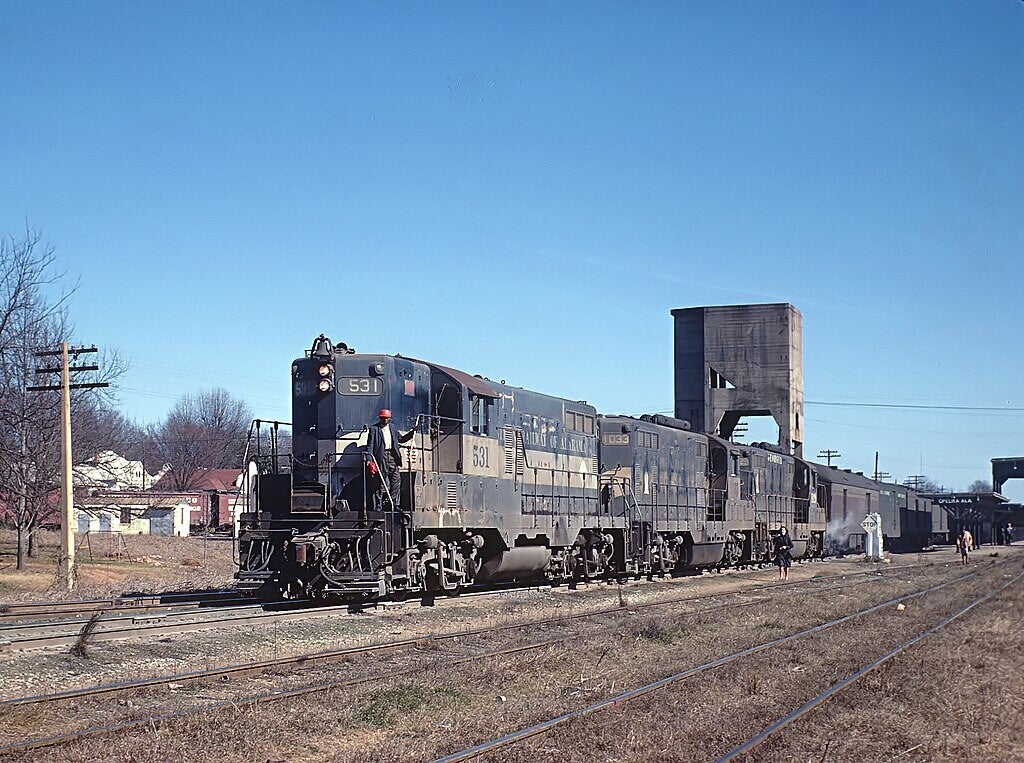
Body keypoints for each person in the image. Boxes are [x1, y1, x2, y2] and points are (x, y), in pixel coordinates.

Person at [364, 408, 415, 511]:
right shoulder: (374, 429)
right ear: (380, 418)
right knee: (379, 482)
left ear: (390, 419)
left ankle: (394, 503)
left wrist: (412, 433)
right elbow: (370, 445)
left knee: (396, 480)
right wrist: (369, 460)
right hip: (381, 457)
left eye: (387, 418)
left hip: (392, 456)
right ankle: (378, 506)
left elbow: (401, 439)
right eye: (383, 418)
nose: (385, 420)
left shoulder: (393, 427)